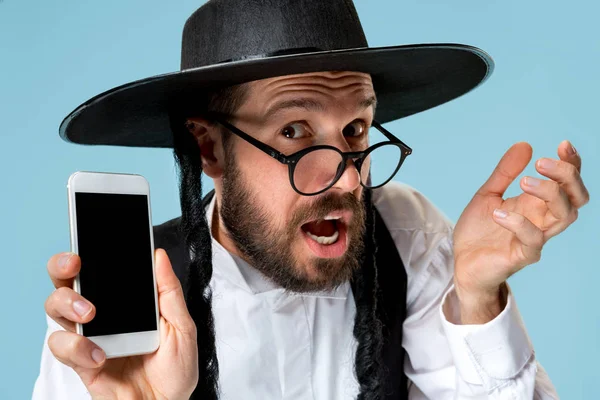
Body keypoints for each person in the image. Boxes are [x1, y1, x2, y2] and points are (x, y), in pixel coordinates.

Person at [33, 0, 589, 399]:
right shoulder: (127, 304)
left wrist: (476, 298)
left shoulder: (405, 234)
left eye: (355, 129)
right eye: (295, 131)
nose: (346, 181)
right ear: (209, 148)